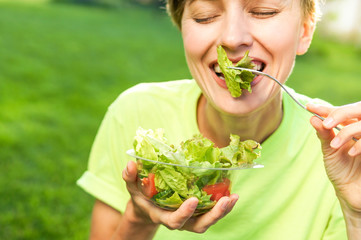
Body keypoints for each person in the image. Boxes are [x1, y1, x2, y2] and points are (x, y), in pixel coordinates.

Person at [77, 0, 361, 239]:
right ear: (182, 29)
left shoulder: (345, 152)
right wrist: (139, 218)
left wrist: (356, 216)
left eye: (264, 11)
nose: (233, 38)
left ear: (305, 31)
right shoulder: (137, 113)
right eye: (205, 16)